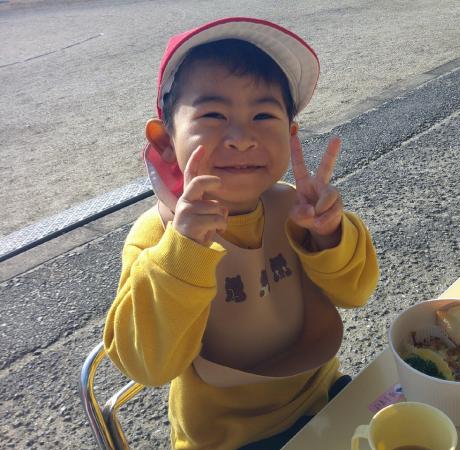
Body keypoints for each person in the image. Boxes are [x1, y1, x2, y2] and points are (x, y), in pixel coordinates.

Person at [103, 17, 379, 450]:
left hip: (321, 400)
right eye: (213, 115)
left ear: (290, 133)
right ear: (165, 140)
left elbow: (357, 292)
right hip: (227, 438)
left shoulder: (294, 209)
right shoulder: (158, 236)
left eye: (263, 115)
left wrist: (330, 235)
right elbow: (148, 367)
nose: (241, 138)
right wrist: (183, 254)